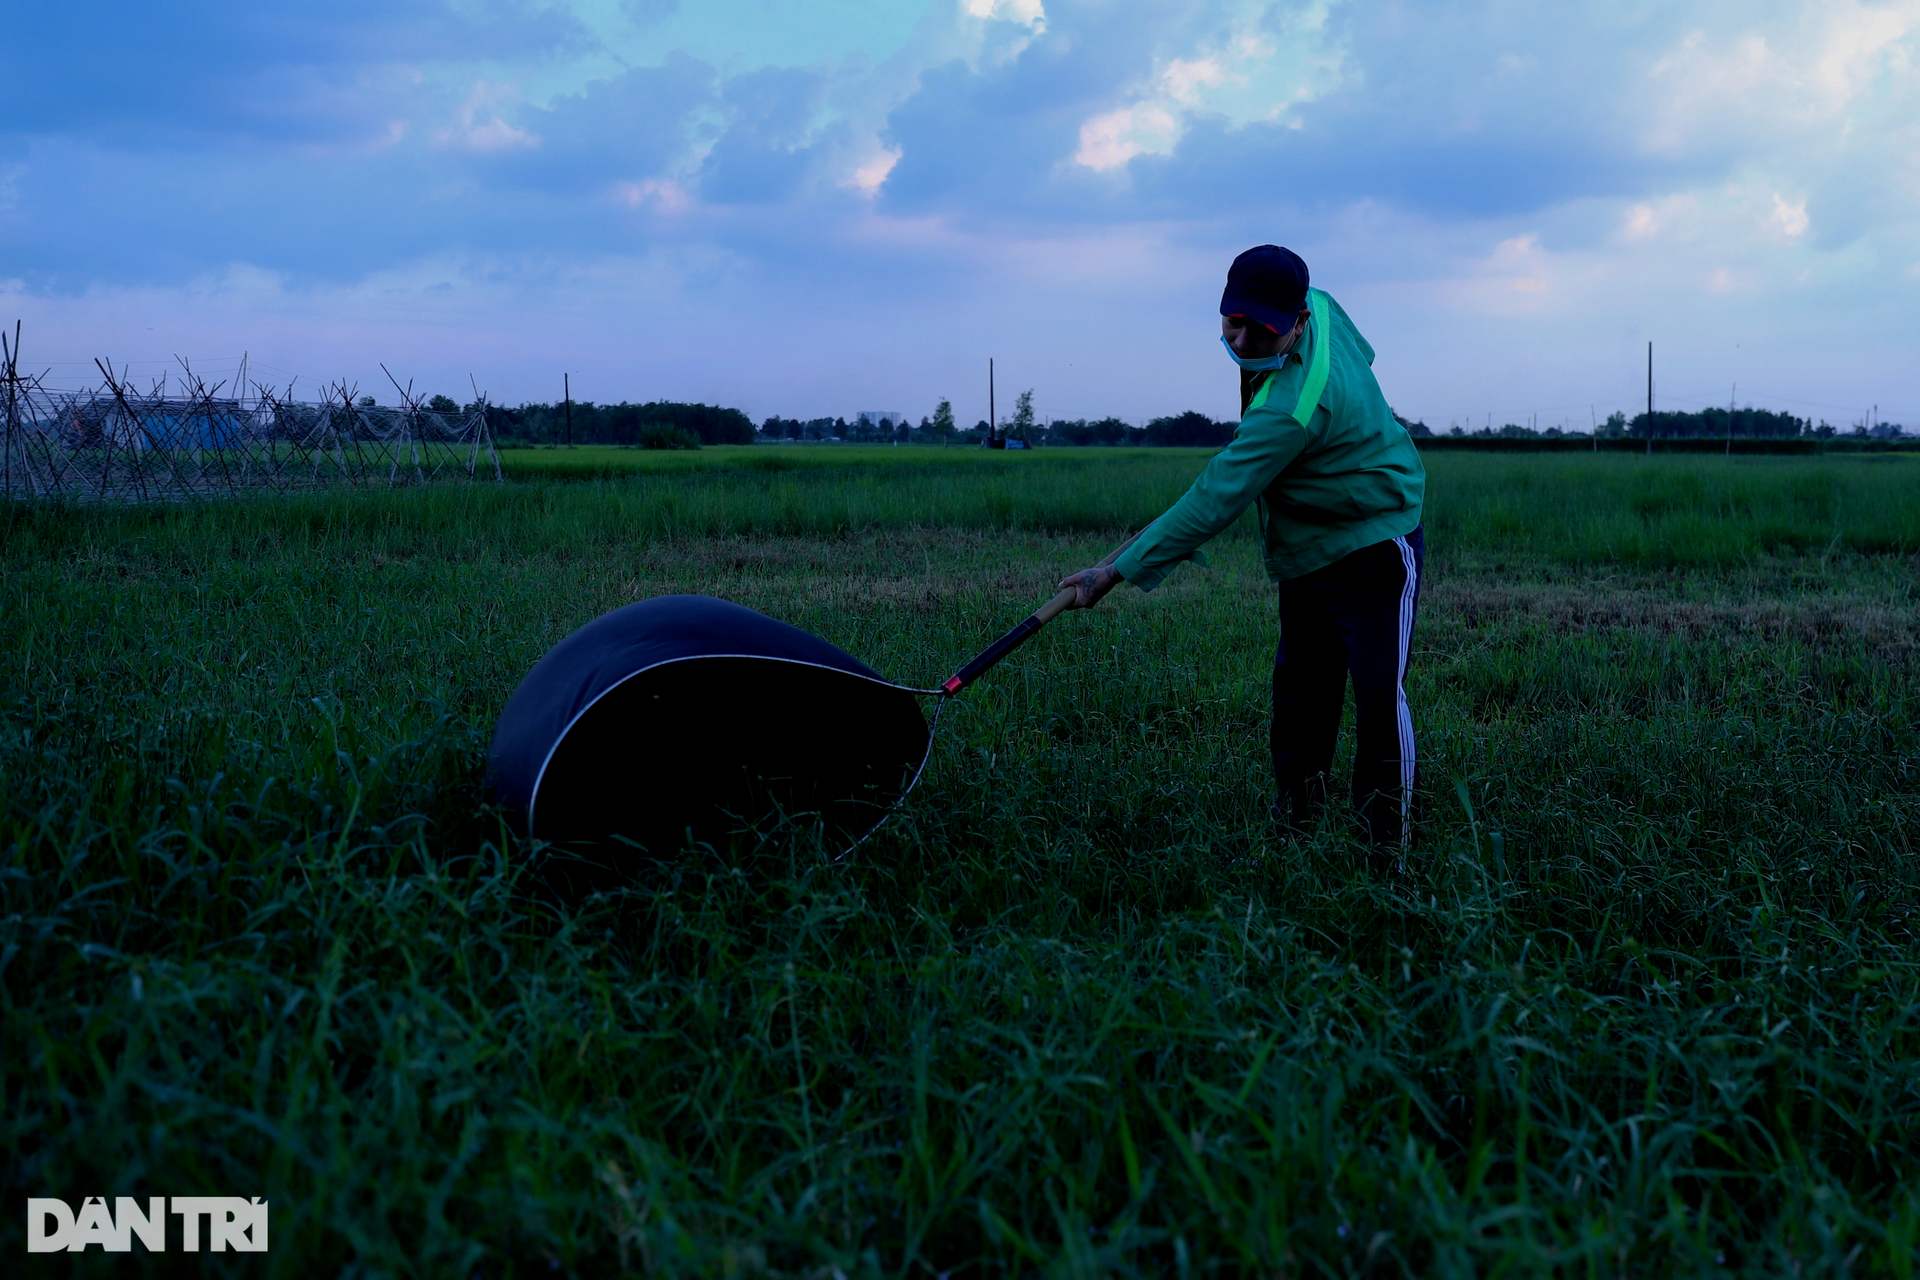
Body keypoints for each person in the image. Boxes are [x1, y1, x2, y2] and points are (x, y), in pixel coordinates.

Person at [1058, 245, 1426, 862]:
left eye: (1264, 328)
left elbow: (1212, 502)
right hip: (1306, 544)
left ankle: (1385, 844)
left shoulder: (1290, 410)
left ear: (1297, 323)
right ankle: (1296, 817)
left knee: (1377, 695)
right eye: (1235, 320)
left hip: (1375, 541)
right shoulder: (1325, 306)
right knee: (1301, 686)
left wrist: (1113, 573)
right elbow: (1362, 355)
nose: (1246, 337)